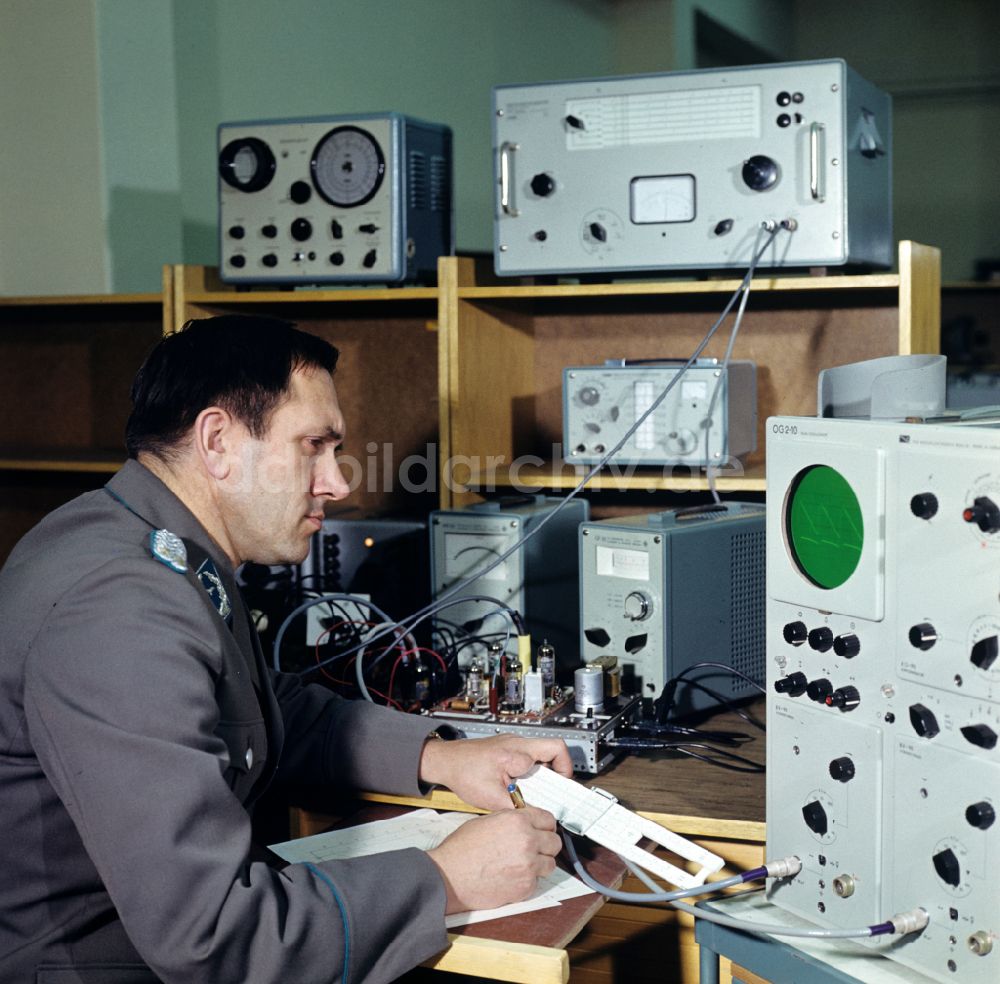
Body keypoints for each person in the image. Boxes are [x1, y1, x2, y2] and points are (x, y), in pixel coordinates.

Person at [0, 315, 571, 984]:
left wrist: (439, 755)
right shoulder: (119, 609)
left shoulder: (147, 544)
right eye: (314, 446)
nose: (338, 483)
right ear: (217, 442)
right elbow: (213, 938)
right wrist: (447, 878)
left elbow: (256, 709)